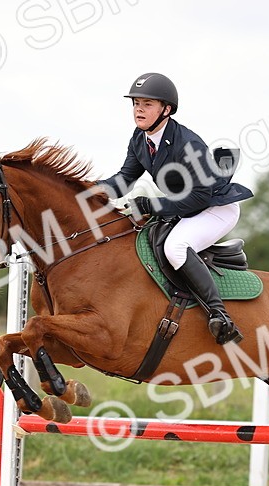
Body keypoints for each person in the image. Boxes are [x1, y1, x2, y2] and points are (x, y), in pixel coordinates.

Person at [96, 72, 253, 345]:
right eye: (136, 103)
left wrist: (152, 205)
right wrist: (87, 189)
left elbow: (200, 197)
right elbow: (124, 180)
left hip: (215, 208)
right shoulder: (139, 139)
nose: (139, 110)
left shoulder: (187, 144)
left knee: (175, 247)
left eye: (147, 104)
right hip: (186, 207)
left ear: (166, 109)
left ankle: (220, 316)